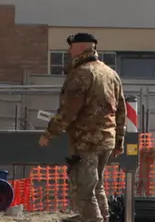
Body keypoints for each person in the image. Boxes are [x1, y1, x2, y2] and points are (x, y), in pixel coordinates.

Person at [38, 32, 125, 222]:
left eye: (71, 47)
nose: (69, 51)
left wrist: (49, 133)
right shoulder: (111, 74)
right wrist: (119, 141)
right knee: (97, 186)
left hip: (86, 142)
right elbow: (121, 111)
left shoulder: (81, 74)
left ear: (80, 48)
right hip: (106, 141)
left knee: (85, 191)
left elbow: (68, 111)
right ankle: (104, 218)